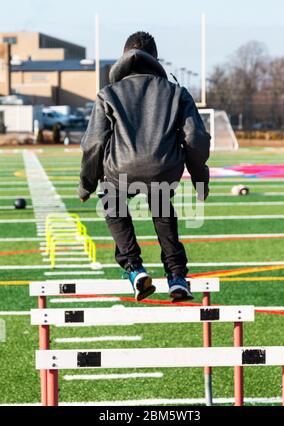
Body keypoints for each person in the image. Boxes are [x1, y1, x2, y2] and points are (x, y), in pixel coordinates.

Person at [79, 31, 210, 303]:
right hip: (163, 169)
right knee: (162, 208)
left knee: (112, 201)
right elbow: (195, 138)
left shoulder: (108, 93)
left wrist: (87, 184)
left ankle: (134, 269)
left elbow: (94, 143)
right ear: (156, 59)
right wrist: (200, 179)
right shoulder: (176, 92)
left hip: (120, 170)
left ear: (122, 58)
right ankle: (177, 277)